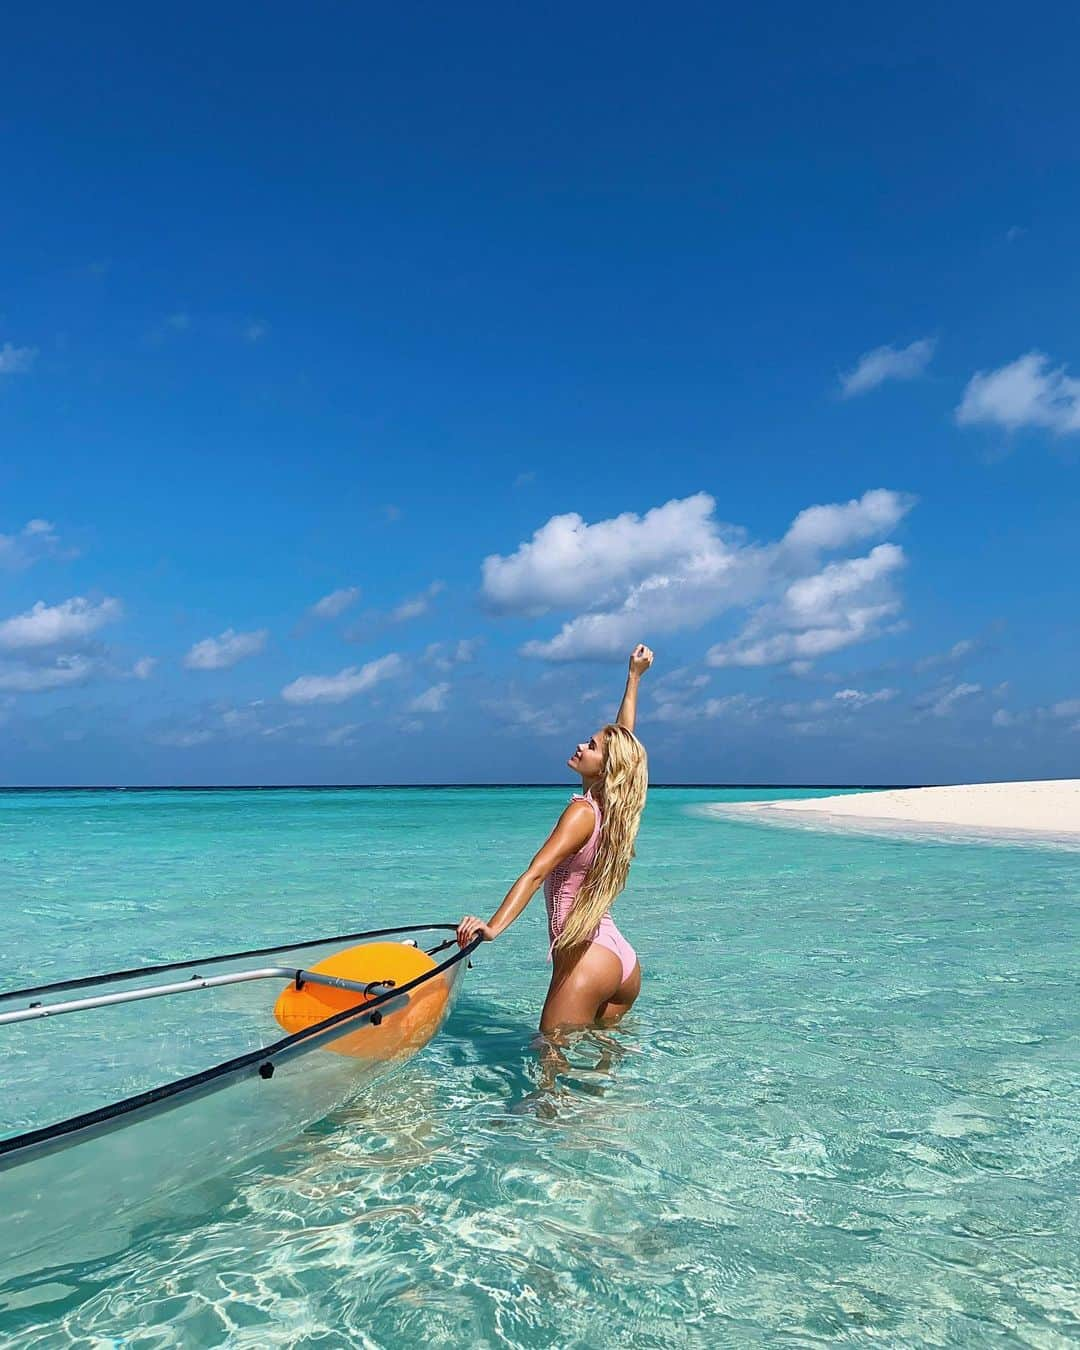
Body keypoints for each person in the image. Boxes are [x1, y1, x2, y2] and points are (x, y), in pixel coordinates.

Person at [457, 644, 653, 1034]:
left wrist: (493, 927)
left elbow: (536, 873)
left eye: (592, 746)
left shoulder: (582, 812)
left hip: (585, 957)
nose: (582, 745)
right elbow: (624, 741)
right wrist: (633, 680)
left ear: (607, 767)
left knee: (550, 1073)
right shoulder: (617, 813)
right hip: (621, 962)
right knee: (597, 1078)